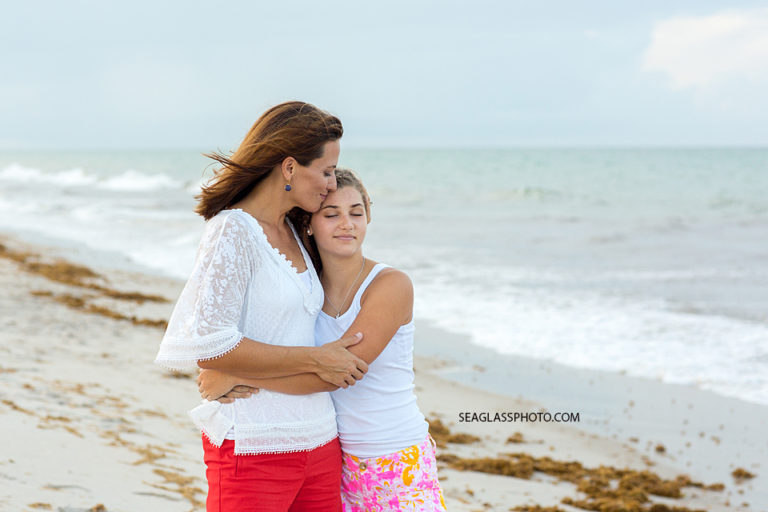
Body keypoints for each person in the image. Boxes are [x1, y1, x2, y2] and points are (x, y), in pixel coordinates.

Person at [154, 101, 370, 512]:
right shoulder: (233, 231)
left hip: (322, 442)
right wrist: (315, 360)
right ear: (289, 168)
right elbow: (211, 343)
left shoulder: (296, 228)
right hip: (253, 445)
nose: (330, 183)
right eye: (324, 170)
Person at [198, 169, 446, 511]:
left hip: (395, 457)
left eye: (356, 213)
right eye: (332, 214)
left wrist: (236, 375)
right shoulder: (306, 289)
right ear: (309, 224)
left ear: (368, 218)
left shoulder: (390, 285)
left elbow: (335, 373)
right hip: (336, 461)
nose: (347, 223)